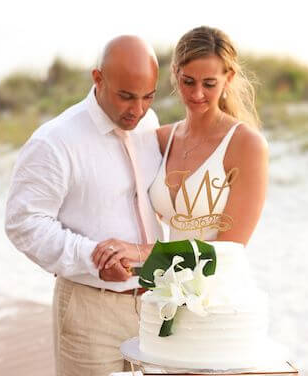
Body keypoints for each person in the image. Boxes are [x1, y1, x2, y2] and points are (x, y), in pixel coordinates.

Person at [4, 35, 164, 375]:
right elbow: (24, 222)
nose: (137, 110)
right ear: (98, 78)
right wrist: (93, 259)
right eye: (125, 96)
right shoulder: (55, 140)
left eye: (147, 97)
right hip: (91, 308)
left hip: (154, 307)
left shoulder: (149, 124)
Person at [94, 26, 268, 271]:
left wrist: (141, 252)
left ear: (228, 78)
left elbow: (229, 251)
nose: (197, 93)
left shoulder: (246, 145)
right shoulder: (163, 138)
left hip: (220, 297)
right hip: (169, 294)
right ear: (175, 73)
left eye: (209, 84)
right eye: (188, 81)